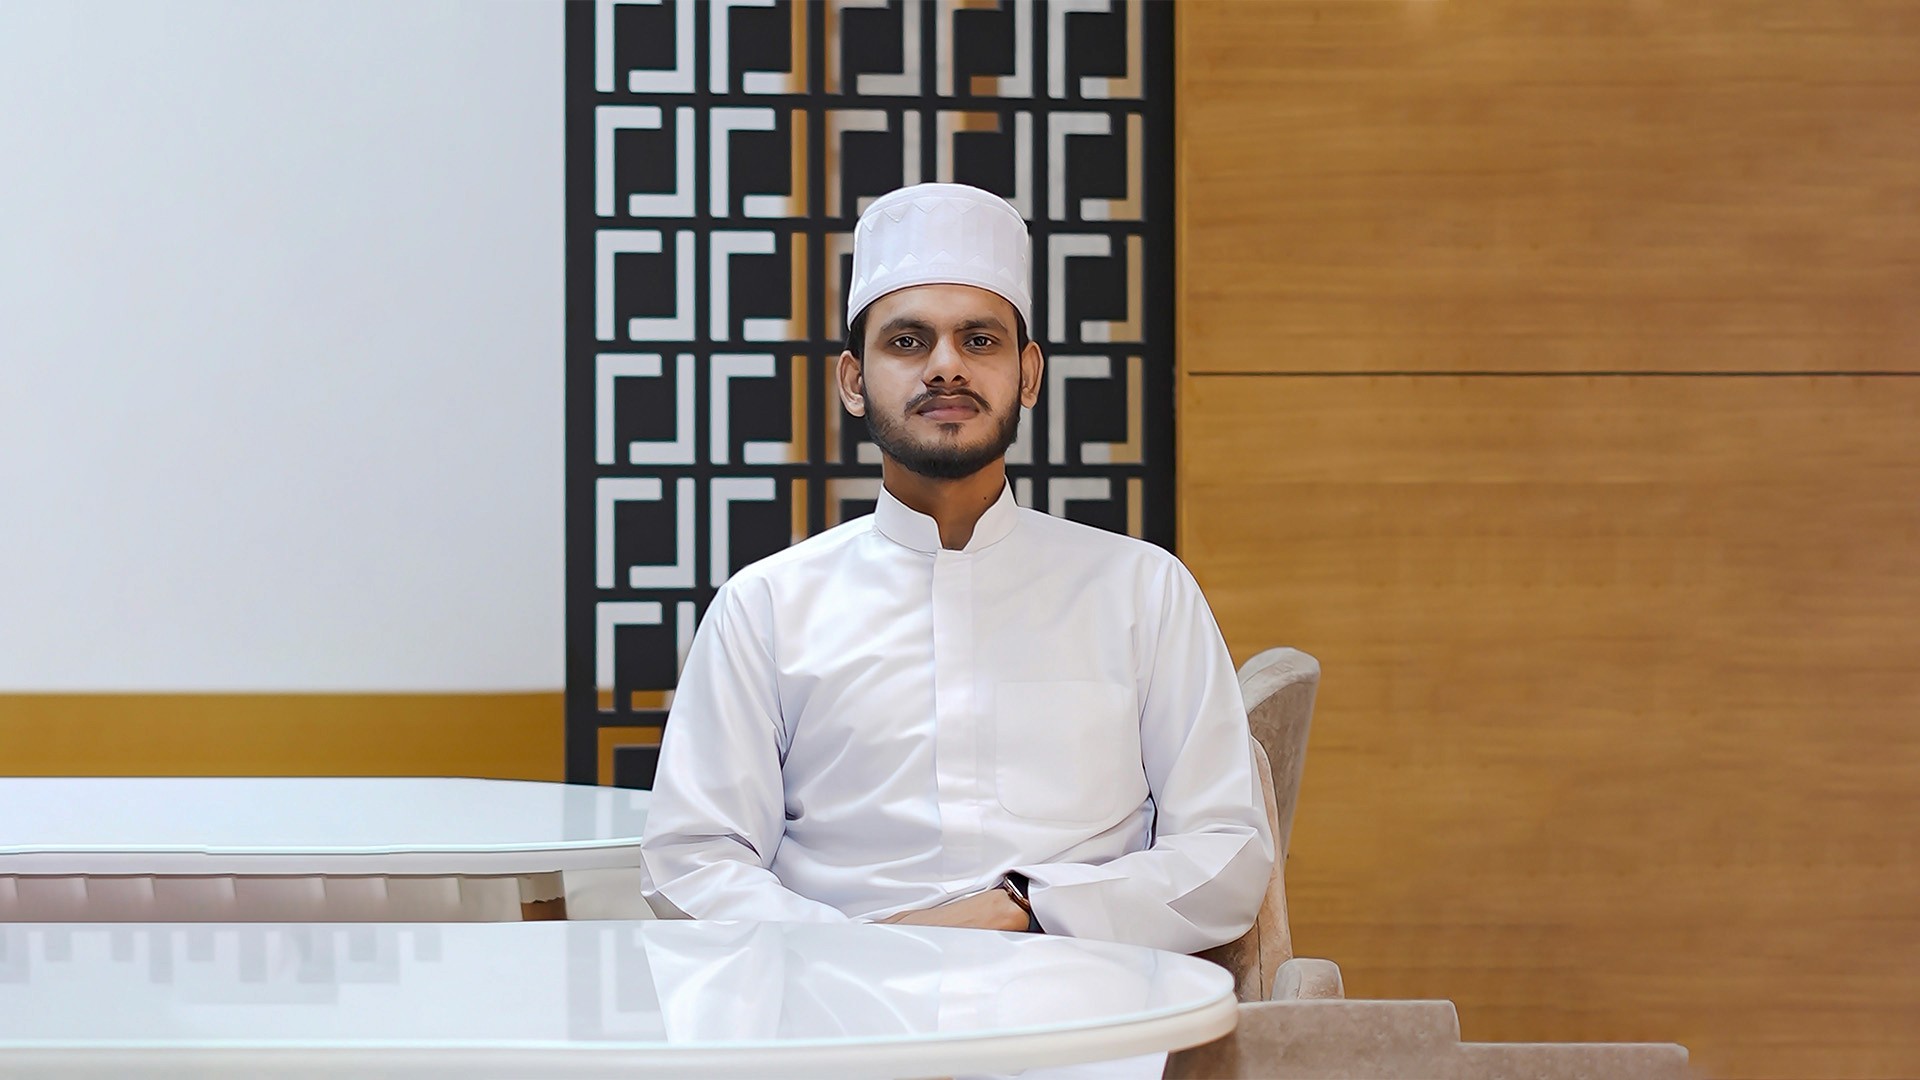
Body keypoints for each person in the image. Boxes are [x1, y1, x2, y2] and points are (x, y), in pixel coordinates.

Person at [638, 182, 1272, 953]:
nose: (945, 367)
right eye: (908, 342)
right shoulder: (766, 605)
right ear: (852, 379)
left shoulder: (1141, 590)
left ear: (1028, 375)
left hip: (1079, 1008)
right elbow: (692, 860)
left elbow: (1227, 853)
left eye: (980, 341)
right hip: (840, 1015)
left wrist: (1021, 907)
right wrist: (862, 952)